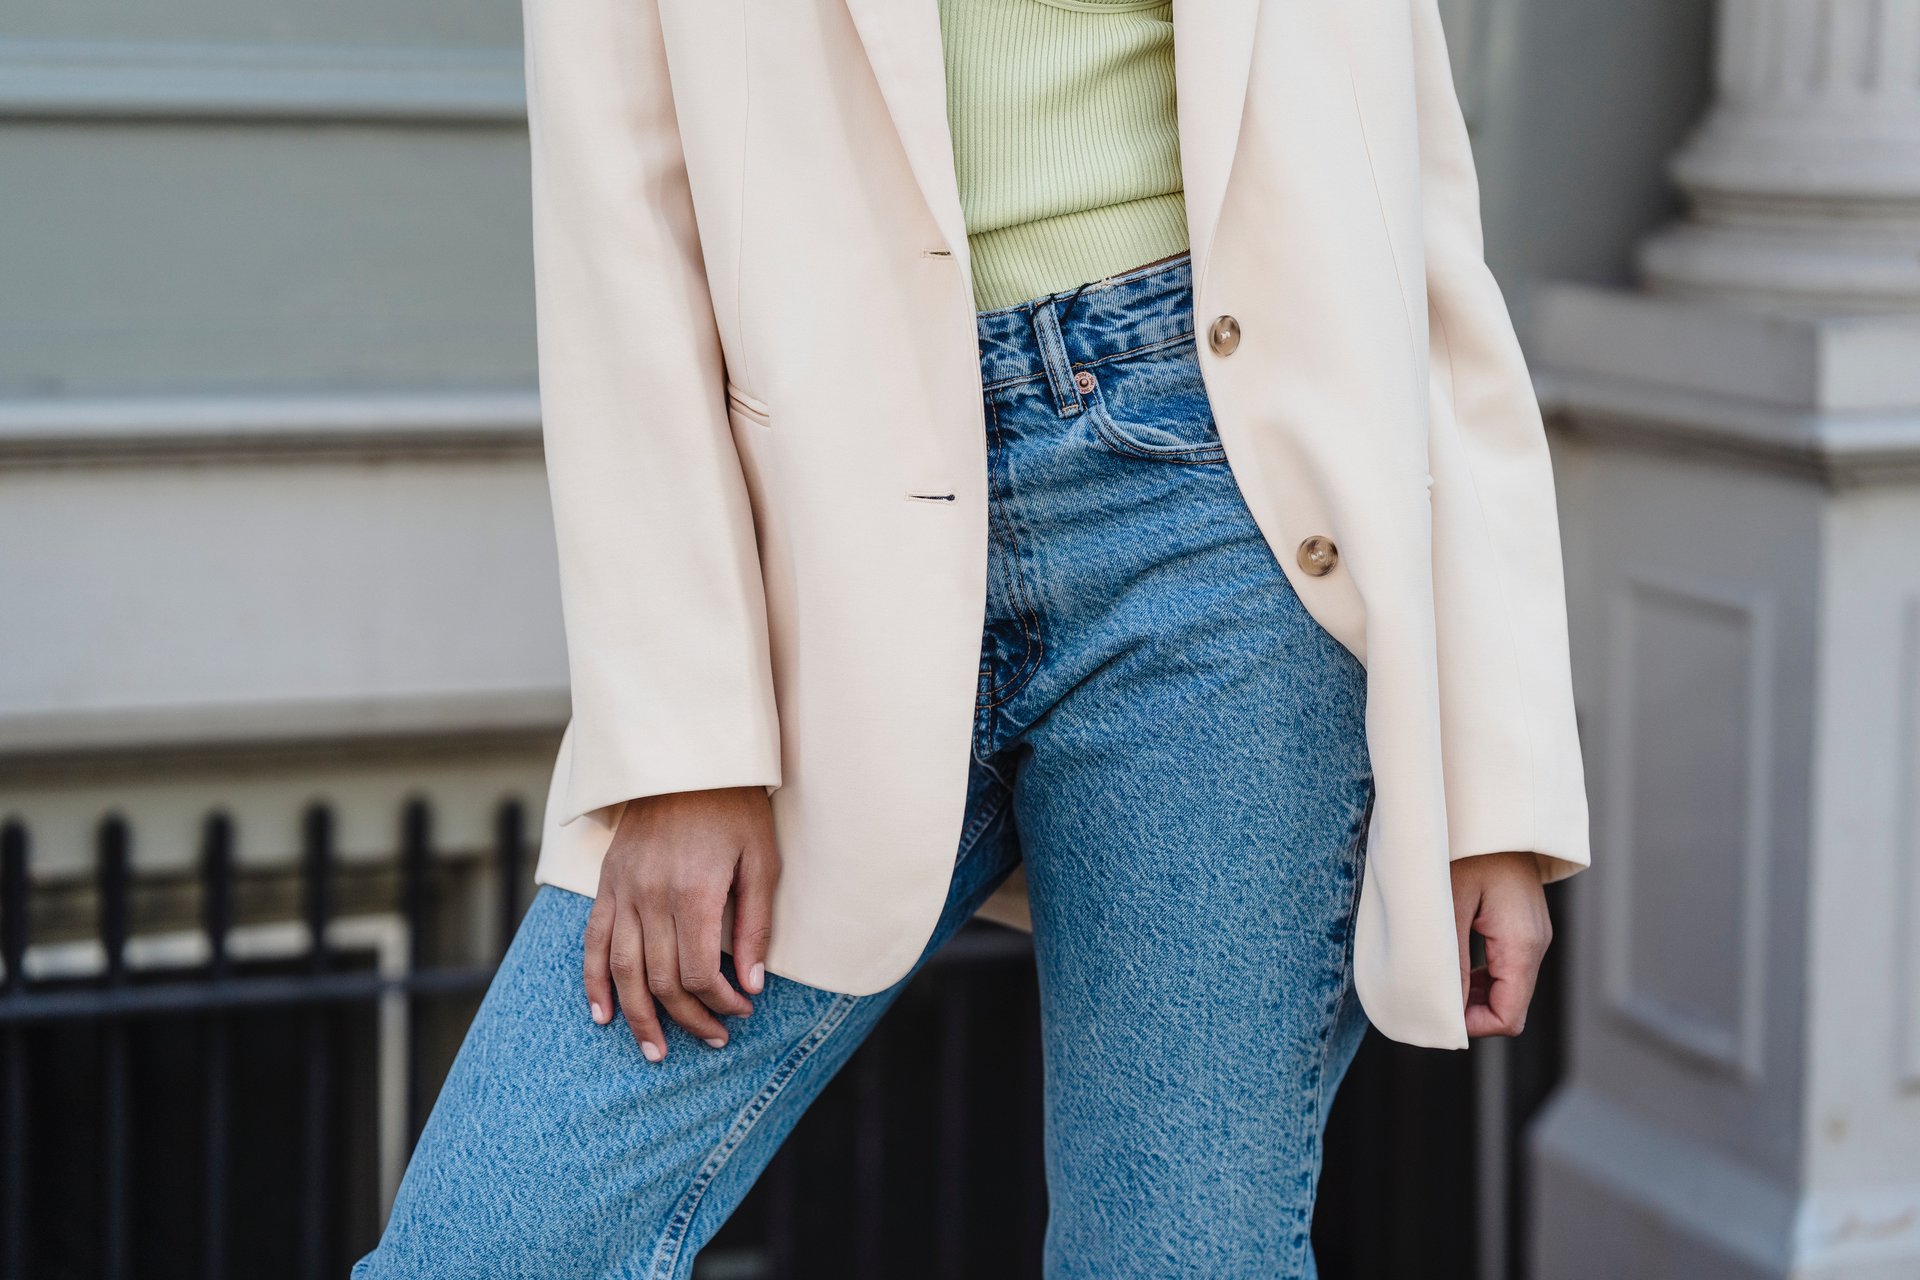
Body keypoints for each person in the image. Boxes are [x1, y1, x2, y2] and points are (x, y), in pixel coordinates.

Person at [354, 0, 1589, 1275]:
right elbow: (617, 207)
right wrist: (681, 746)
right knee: (484, 1243)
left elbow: (1417, 228)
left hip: (1224, 518)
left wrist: (1492, 787)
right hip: (826, 555)